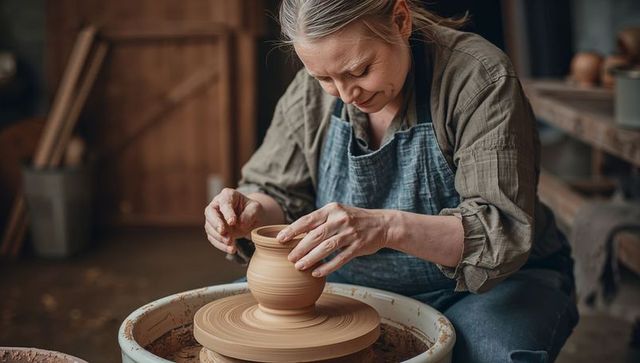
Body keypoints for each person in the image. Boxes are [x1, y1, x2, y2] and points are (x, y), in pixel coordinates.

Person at [204, 1, 578, 361]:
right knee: (233, 333)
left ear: (400, 20)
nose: (347, 94)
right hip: (351, 285)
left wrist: (385, 227)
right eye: (324, 78)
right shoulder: (311, 92)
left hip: (486, 287)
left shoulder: (476, 76)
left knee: (488, 350)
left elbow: (501, 232)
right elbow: (279, 194)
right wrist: (252, 213)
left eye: (360, 70)